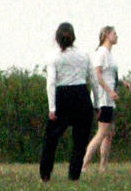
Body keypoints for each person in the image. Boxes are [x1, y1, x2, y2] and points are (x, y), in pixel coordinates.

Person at [40, 22, 93, 181]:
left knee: (51, 139)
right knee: (80, 140)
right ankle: (74, 175)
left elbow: (51, 82)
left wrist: (52, 107)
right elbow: (93, 79)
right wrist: (96, 104)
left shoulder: (54, 57)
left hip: (62, 96)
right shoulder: (84, 54)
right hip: (81, 94)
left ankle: (45, 174)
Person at [82, 25, 119, 172]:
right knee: (102, 132)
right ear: (107, 35)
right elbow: (97, 75)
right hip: (103, 99)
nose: (116, 36)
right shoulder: (101, 52)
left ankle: (102, 166)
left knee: (109, 133)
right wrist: (109, 91)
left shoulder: (110, 54)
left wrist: (122, 83)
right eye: (114, 33)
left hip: (110, 99)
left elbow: (109, 75)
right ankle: (83, 164)